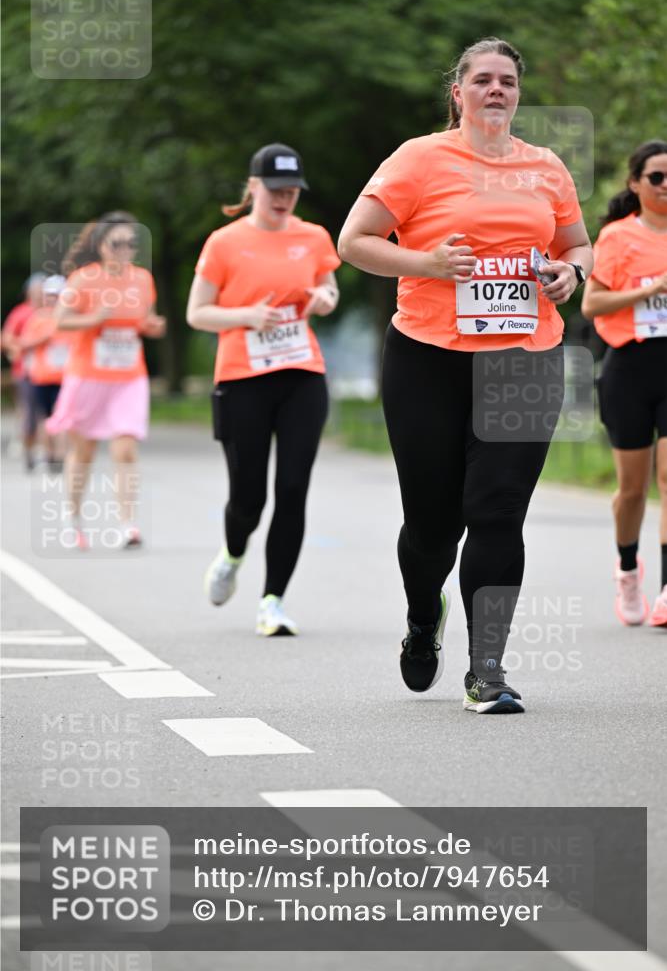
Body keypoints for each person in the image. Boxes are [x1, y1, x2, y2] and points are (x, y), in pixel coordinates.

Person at [338, 37, 592, 714]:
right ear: (458, 92)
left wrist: (572, 273)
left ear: (518, 92)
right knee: (431, 527)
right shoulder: (419, 158)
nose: (495, 91)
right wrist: (425, 264)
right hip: (427, 358)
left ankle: (487, 671)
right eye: (481, 80)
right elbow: (353, 241)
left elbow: (574, 245)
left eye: (506, 80)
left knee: (497, 511)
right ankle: (424, 620)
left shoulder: (545, 167)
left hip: (524, 356)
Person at [187, 143, 340, 636]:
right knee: (248, 498)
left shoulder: (314, 236)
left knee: (293, 489)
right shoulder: (225, 242)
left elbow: (330, 290)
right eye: (275, 189)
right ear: (253, 186)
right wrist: (247, 316)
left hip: (301, 373)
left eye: (292, 190)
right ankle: (232, 555)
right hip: (241, 379)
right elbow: (197, 312)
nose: (284, 198)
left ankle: (272, 600)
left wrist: (323, 298)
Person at [581, 140, 667, 627]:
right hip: (629, 370)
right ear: (635, 183)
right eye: (656, 176)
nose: (665, 185)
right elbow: (592, 306)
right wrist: (650, 290)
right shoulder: (616, 237)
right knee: (632, 489)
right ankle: (628, 568)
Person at [46, 211, 166, 550]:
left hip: (129, 377)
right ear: (101, 246)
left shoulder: (142, 279)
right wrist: (94, 318)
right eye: (117, 244)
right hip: (89, 376)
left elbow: (144, 319)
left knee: (125, 448)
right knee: (83, 452)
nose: (125, 250)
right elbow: (60, 323)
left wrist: (151, 326)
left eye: (131, 243)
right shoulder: (82, 280)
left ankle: (128, 525)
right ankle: (73, 520)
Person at [19, 274, 70, 471]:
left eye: (57, 296)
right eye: (50, 296)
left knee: (62, 416)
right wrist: (44, 338)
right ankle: (48, 454)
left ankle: (60, 455)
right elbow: (24, 343)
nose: (53, 300)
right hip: (41, 377)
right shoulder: (37, 319)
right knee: (44, 417)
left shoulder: (70, 319)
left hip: (65, 377)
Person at [1, 273, 44, 470]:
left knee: (49, 411)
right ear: (28, 292)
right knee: (28, 410)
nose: (40, 293)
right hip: (26, 370)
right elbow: (6, 338)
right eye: (36, 290)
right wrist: (19, 346)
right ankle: (27, 445)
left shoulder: (55, 312)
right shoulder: (20, 313)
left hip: (54, 372)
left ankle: (48, 448)